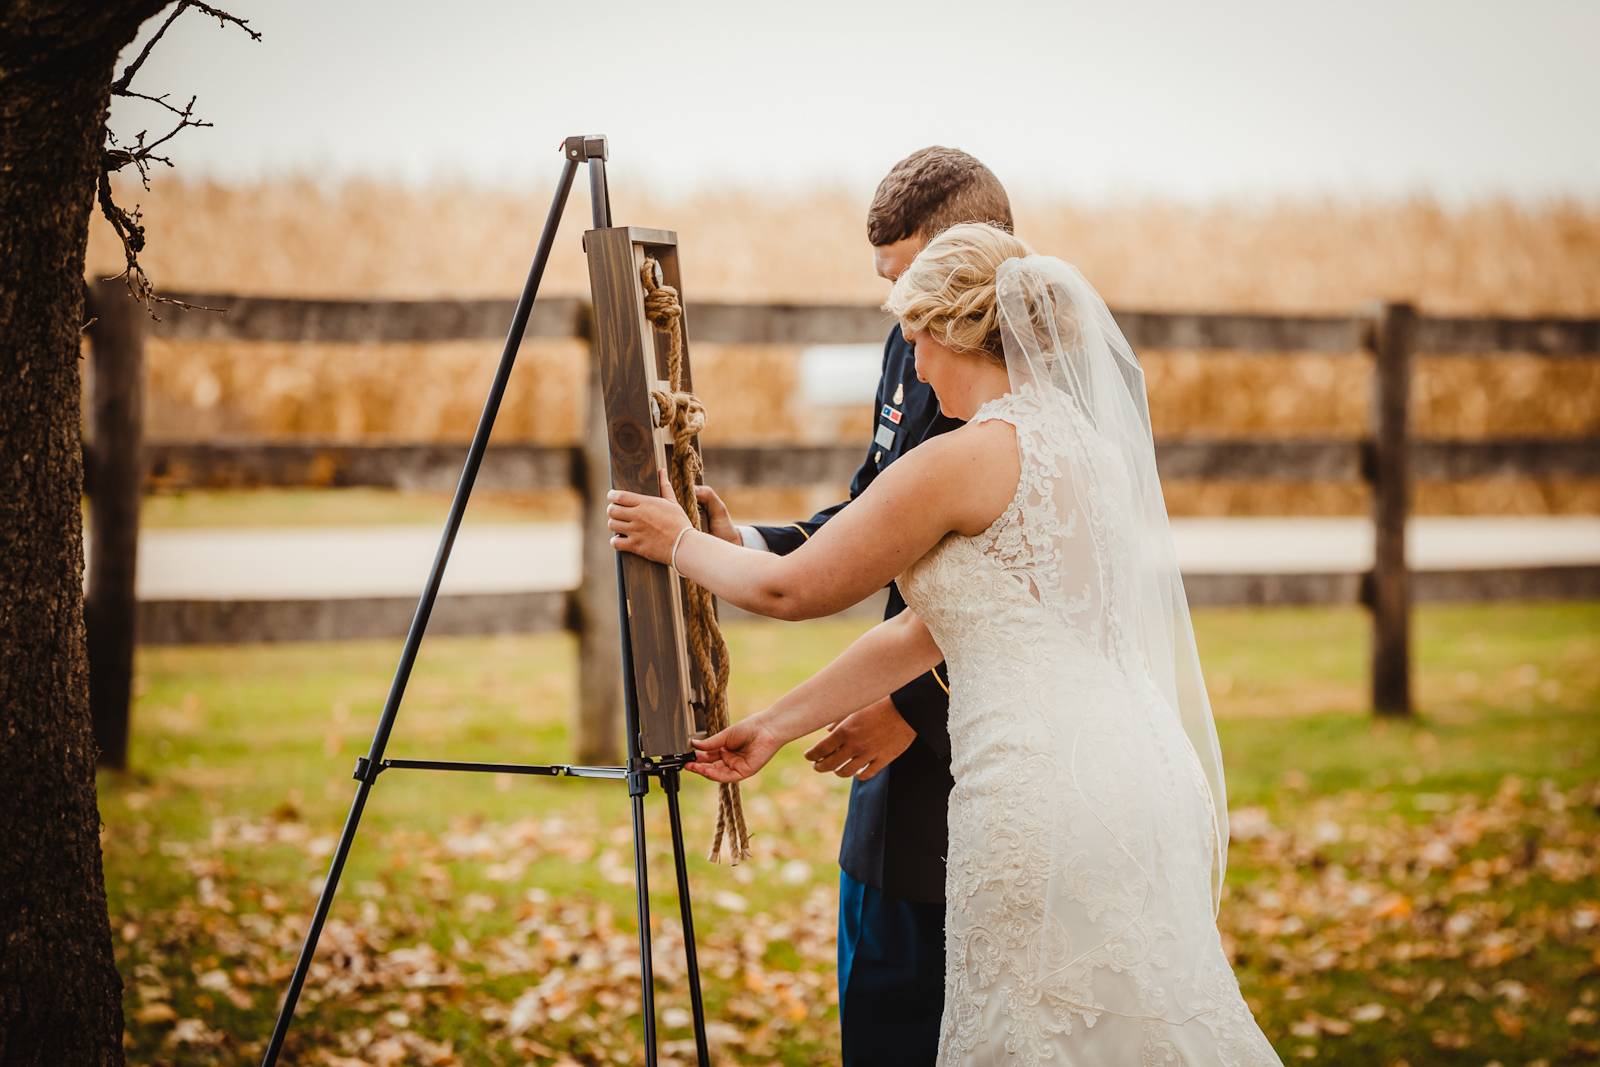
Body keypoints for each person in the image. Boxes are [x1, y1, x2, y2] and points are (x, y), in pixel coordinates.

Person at [607, 223, 1283, 1064]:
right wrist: (776, 724)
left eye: (916, 338)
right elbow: (926, 630)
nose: (914, 366)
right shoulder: (1089, 449)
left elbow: (795, 586)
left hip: (1039, 795)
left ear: (955, 330)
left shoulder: (962, 459)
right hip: (1141, 774)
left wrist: (674, 540)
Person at [689, 147, 1012, 1064]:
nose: (897, 318)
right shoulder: (909, 348)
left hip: (984, 746)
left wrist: (911, 707)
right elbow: (875, 505)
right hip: (898, 718)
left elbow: (1038, 594)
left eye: (909, 284)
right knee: (881, 997)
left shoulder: (1050, 394)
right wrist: (743, 541)